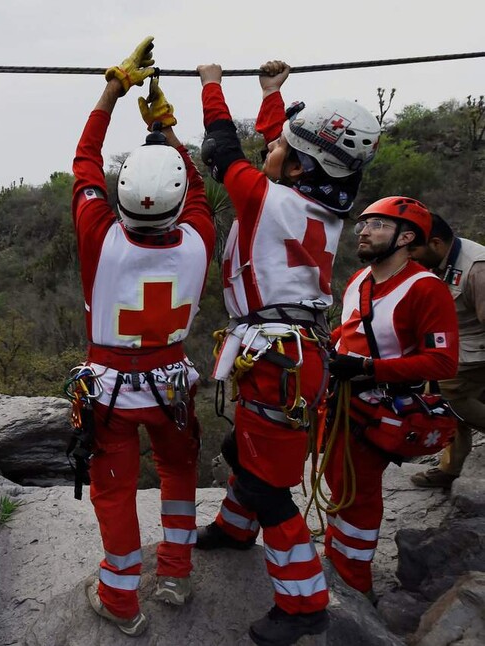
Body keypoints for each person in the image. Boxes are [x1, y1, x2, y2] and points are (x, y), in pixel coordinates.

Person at [196, 60, 381, 645]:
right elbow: (283, 153)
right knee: (242, 450)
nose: (269, 148)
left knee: (269, 488)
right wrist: (273, 95)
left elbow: (220, 151)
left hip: (279, 360)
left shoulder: (267, 200)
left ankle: (303, 606)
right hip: (288, 354)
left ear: (298, 167)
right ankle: (234, 528)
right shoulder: (317, 208)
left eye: (280, 148)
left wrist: (210, 84)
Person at [72, 37, 214, 637]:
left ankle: (121, 599)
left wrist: (112, 89)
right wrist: (166, 126)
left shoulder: (101, 239)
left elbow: (83, 160)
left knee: (115, 491)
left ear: (120, 194)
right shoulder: (200, 237)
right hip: (174, 385)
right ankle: (176, 575)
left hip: (110, 390)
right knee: (180, 474)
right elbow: (200, 188)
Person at [326, 197, 458, 596]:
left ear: (405, 237)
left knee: (359, 495)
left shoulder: (425, 289)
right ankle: (336, 560)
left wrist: (369, 368)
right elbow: (350, 332)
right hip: (341, 400)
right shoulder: (359, 280)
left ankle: (354, 581)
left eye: (377, 225)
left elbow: (442, 363)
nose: (364, 231)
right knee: (338, 482)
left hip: (378, 407)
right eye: (363, 224)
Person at [408, 213, 485, 489]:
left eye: (414, 249)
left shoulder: (477, 268)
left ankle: (452, 467)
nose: (410, 255)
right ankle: (451, 468)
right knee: (446, 396)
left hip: (476, 351)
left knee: (445, 393)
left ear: (436, 243)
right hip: (457, 345)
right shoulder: (437, 262)